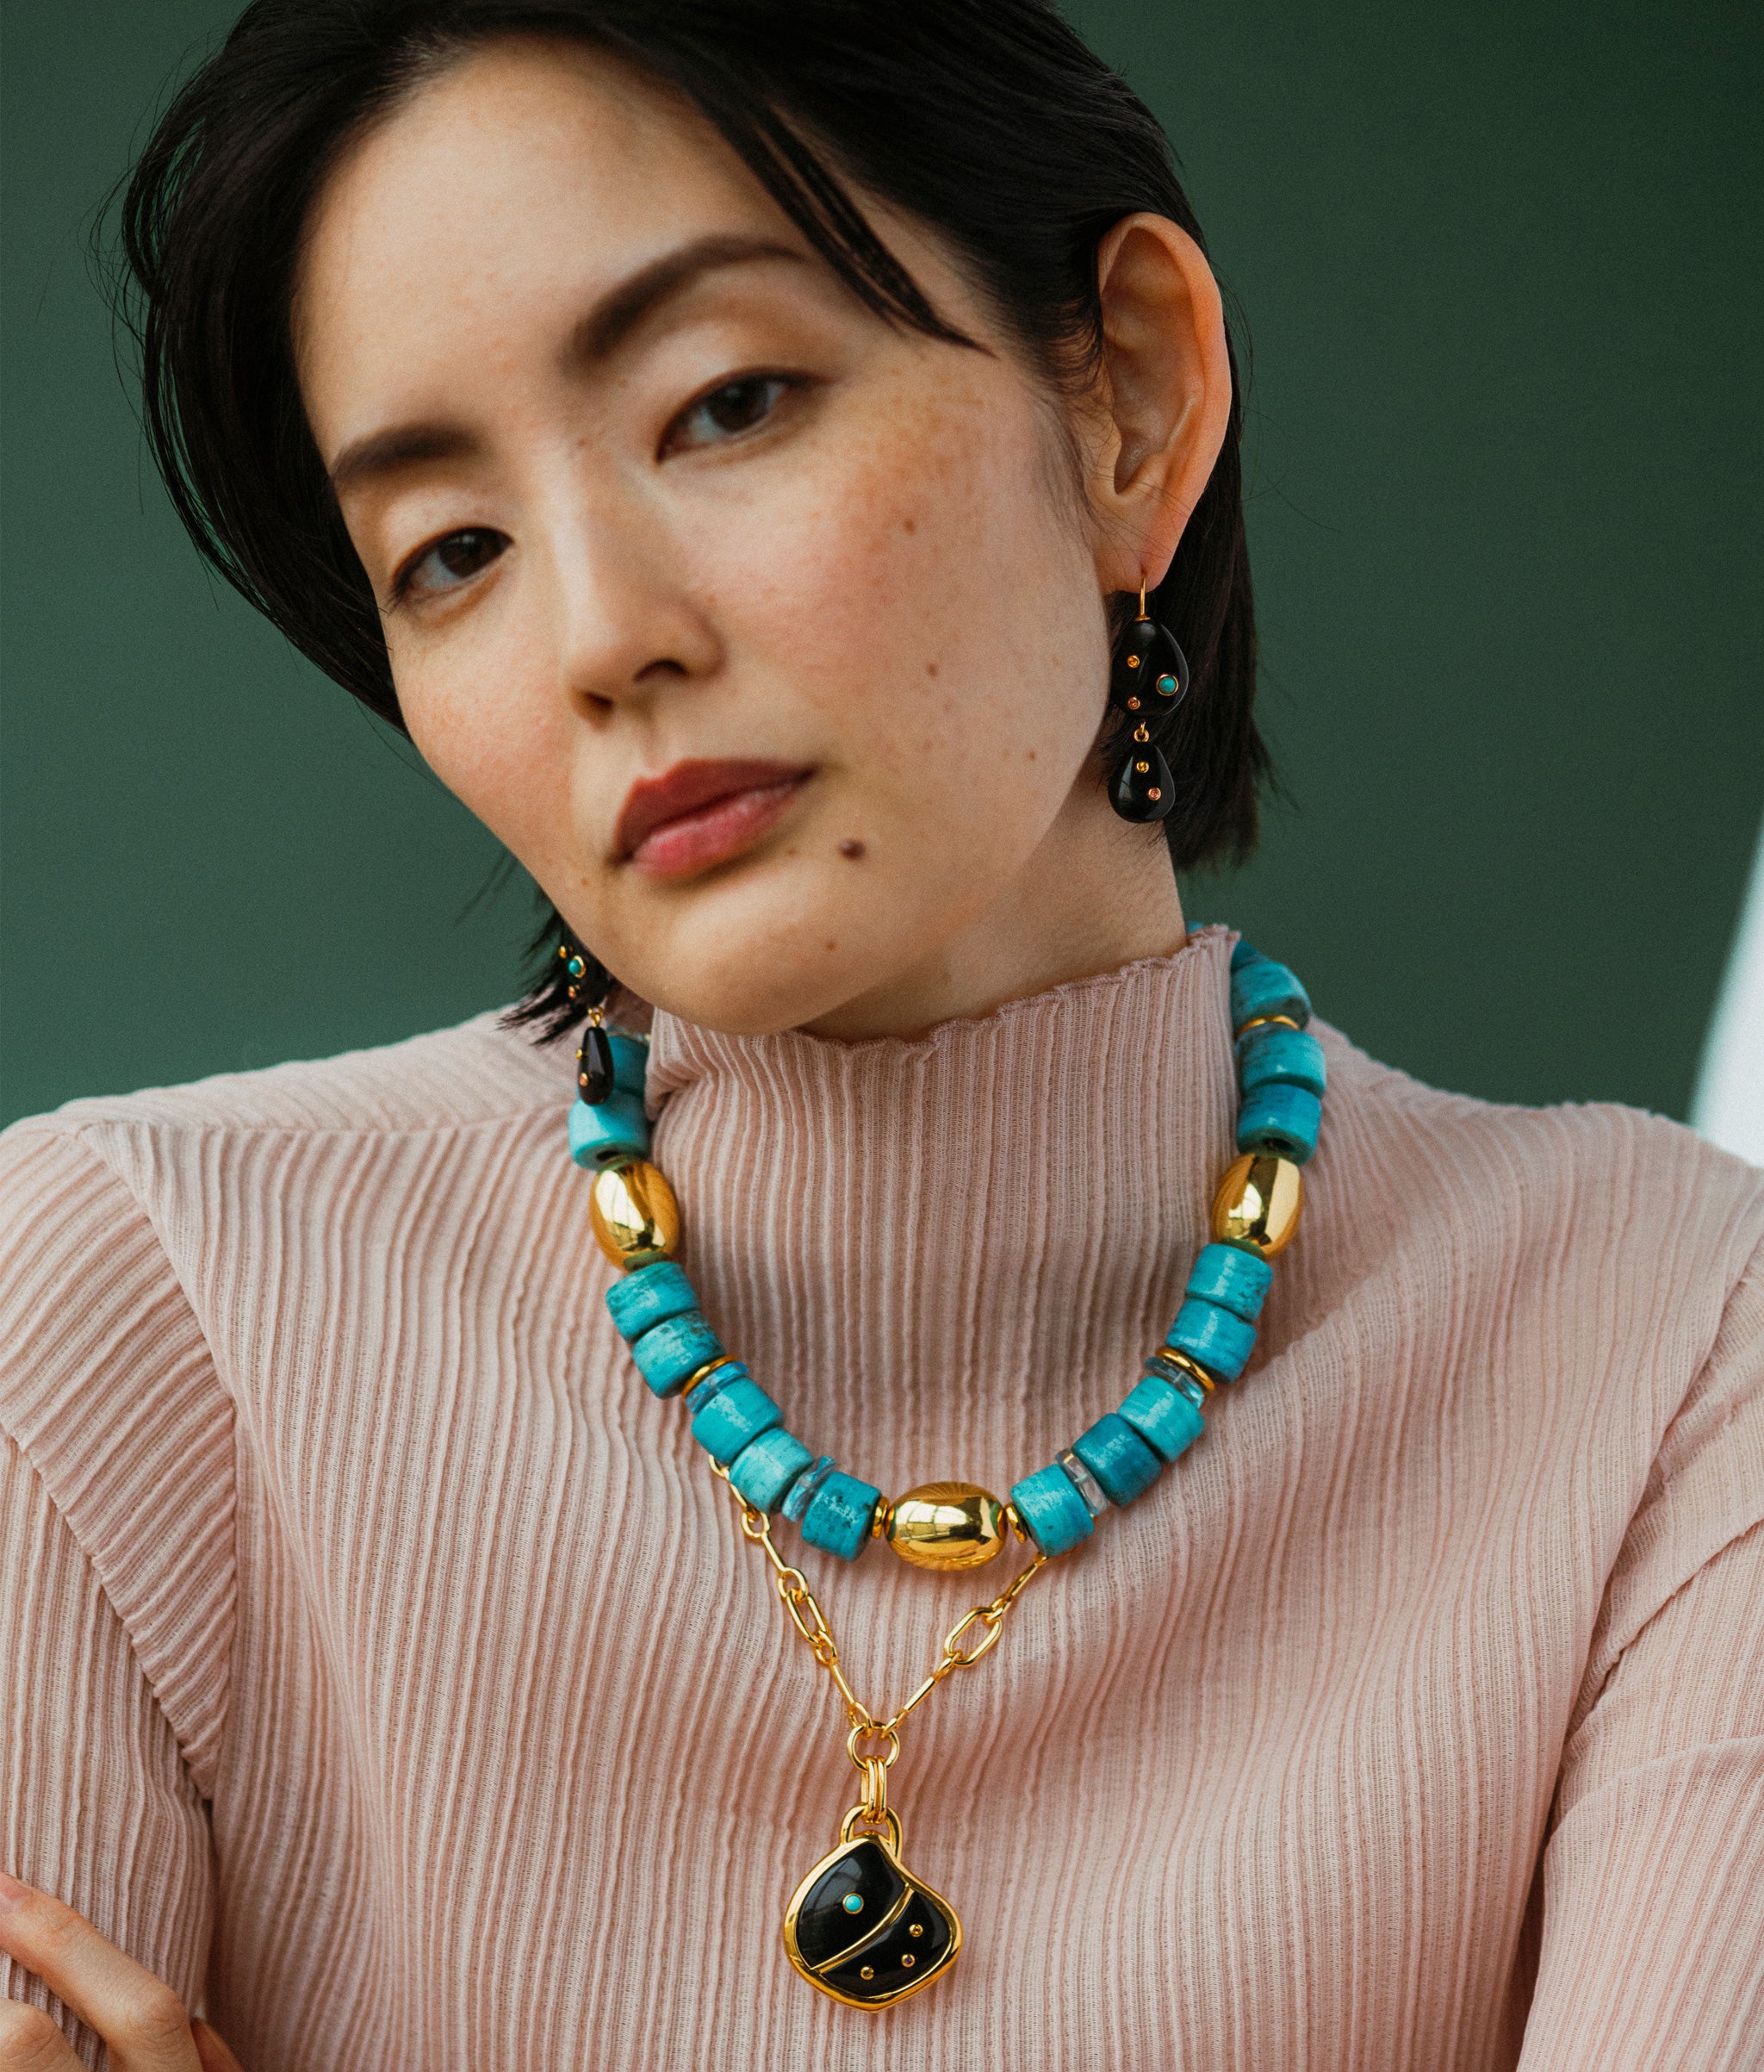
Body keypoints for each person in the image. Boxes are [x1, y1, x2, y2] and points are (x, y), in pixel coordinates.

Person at [2, 3, 1760, 2067]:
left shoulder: (1670, 1351)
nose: (600, 634)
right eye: (449, 551)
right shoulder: (120, 1324)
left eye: (725, 402)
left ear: (1128, 395)